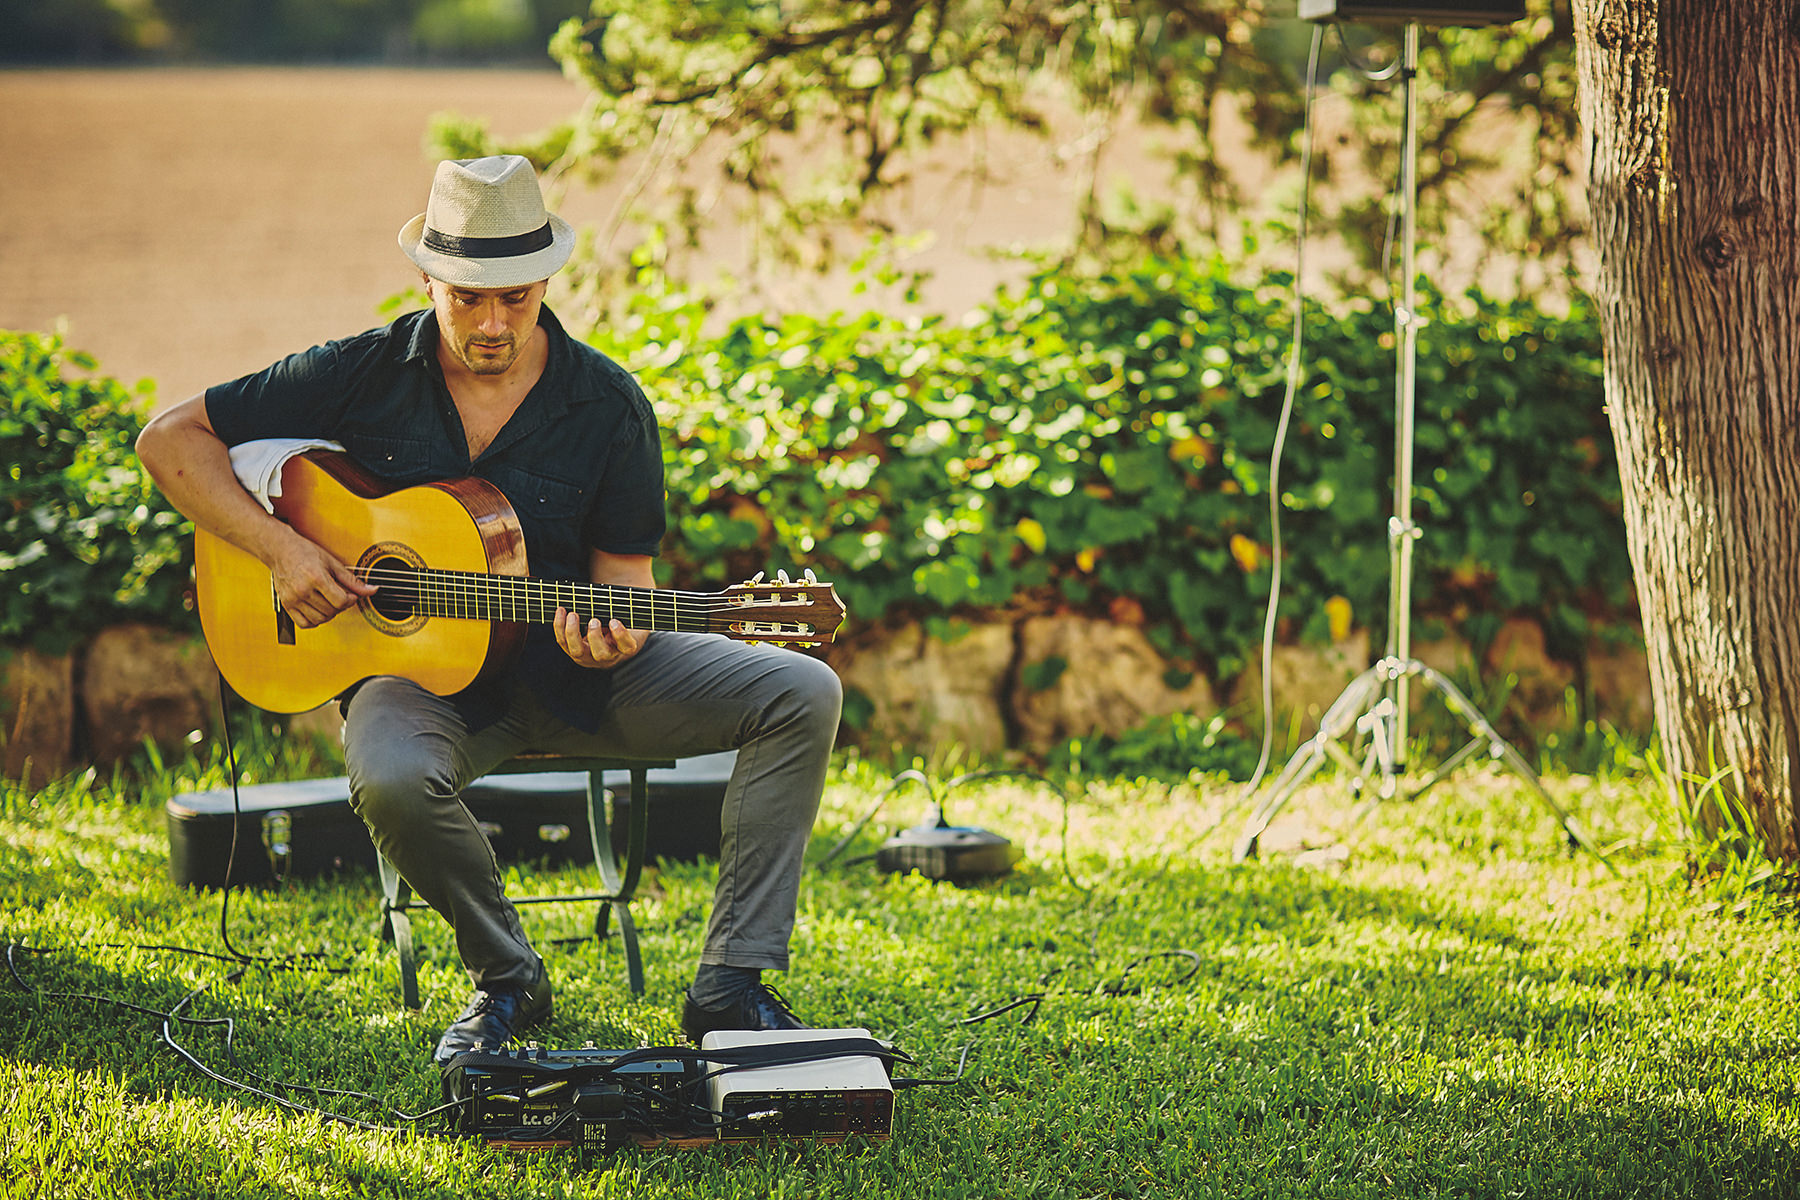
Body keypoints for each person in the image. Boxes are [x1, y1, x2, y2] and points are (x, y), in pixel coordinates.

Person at [137, 155, 843, 1064]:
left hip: (571, 675)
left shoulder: (607, 403)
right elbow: (170, 441)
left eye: (515, 295)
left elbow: (623, 575)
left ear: (546, 278)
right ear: (428, 277)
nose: (493, 322)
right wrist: (285, 549)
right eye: (468, 296)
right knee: (388, 774)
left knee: (801, 691)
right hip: (414, 678)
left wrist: (612, 636)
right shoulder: (359, 372)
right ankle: (508, 979)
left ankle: (730, 988)